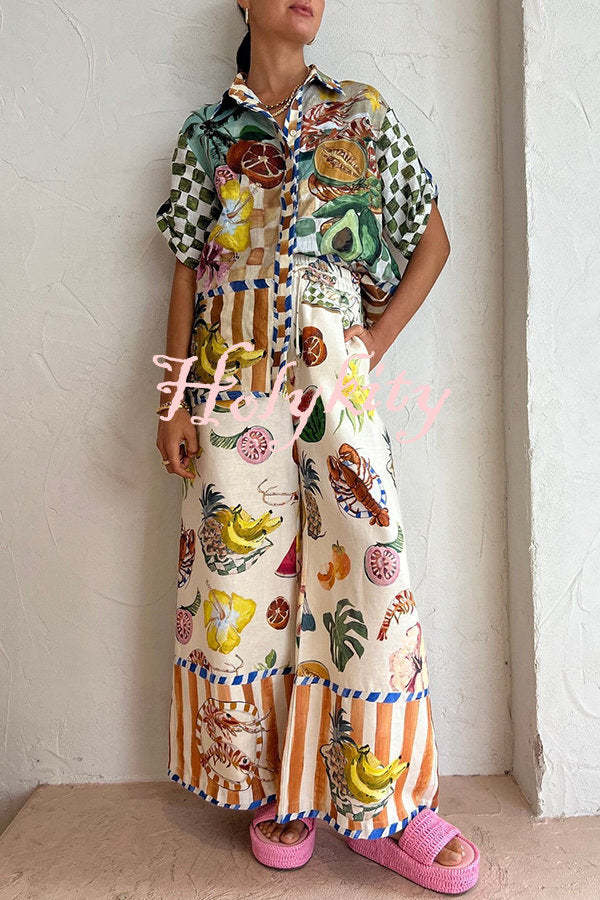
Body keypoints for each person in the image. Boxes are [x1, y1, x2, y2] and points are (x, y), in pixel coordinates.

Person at [154, 1, 480, 893]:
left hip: (335, 379)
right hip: (228, 381)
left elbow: (434, 241)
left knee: (370, 563)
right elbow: (186, 266)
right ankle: (277, 785)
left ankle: (387, 804)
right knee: (241, 579)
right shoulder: (207, 134)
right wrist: (173, 401)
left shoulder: (361, 114)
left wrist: (372, 345)